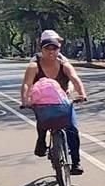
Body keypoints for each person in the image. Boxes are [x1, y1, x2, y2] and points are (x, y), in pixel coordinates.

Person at [21, 30, 88, 175]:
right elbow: (26, 84)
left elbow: (75, 78)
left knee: (72, 129)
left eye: (55, 48)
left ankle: (76, 162)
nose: (51, 52)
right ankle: (41, 140)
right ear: (41, 48)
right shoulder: (34, 65)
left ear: (59, 48)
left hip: (62, 101)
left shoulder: (63, 63)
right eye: (47, 48)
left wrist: (82, 93)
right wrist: (25, 100)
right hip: (43, 102)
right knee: (43, 120)